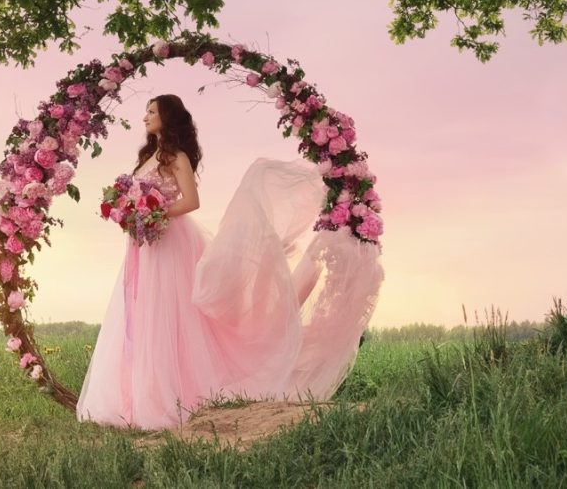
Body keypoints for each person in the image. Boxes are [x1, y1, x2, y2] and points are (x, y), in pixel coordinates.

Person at [76, 94, 383, 430]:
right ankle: (137, 394)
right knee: (143, 313)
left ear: (168, 116)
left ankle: (172, 395)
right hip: (145, 244)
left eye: (151, 111)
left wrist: (153, 213)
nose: (145, 117)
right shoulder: (148, 156)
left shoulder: (176, 156)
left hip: (168, 242)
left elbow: (191, 200)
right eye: (146, 111)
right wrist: (130, 213)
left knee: (172, 313)